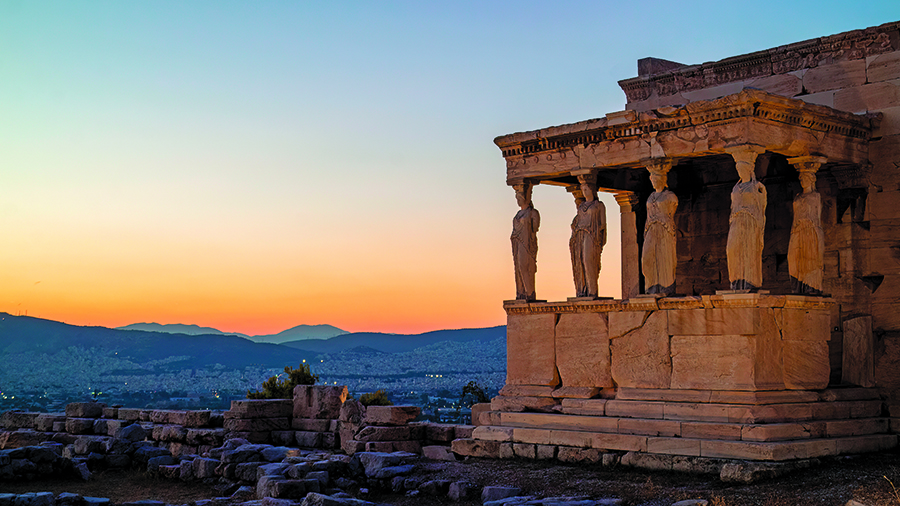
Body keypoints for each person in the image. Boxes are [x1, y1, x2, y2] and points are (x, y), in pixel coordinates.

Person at [726, 158, 767, 290]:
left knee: (749, 250)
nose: (740, 171)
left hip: (751, 221)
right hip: (736, 221)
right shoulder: (735, 188)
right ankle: (736, 281)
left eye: (743, 168)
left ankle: (750, 282)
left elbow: (762, 206)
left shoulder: (757, 187)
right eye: (738, 169)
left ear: (749, 170)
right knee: (731, 249)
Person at [642, 168, 678, 295]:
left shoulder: (670, 197)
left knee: (665, 257)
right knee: (647, 259)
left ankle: (665, 287)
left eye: (656, 179)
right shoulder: (650, 197)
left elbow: (670, 214)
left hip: (664, 229)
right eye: (652, 179)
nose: (654, 182)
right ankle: (651, 286)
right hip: (651, 229)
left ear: (663, 179)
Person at [788, 171, 824, 294]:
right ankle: (797, 287)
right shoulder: (797, 197)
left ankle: (811, 286)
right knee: (793, 259)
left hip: (810, 231)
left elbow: (817, 217)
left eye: (805, 178)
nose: (802, 181)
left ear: (811, 180)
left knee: (810, 260)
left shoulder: (815, 196)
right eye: (801, 179)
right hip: (797, 231)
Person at [570, 178, 606, 298]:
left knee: (588, 261)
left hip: (592, 235)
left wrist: (600, 240)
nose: (584, 191)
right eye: (582, 189)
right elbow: (576, 221)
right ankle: (582, 291)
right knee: (580, 261)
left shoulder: (599, 205)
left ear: (592, 189)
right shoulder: (581, 207)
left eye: (586, 189)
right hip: (580, 235)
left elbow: (602, 225)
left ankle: (593, 291)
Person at [511, 183, 540, 301]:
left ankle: (530, 293)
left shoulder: (533, 213)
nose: (518, 200)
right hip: (517, 242)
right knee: (518, 267)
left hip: (527, 243)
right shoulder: (518, 214)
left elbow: (535, 229)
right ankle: (522, 293)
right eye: (517, 198)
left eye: (520, 198)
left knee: (525, 267)